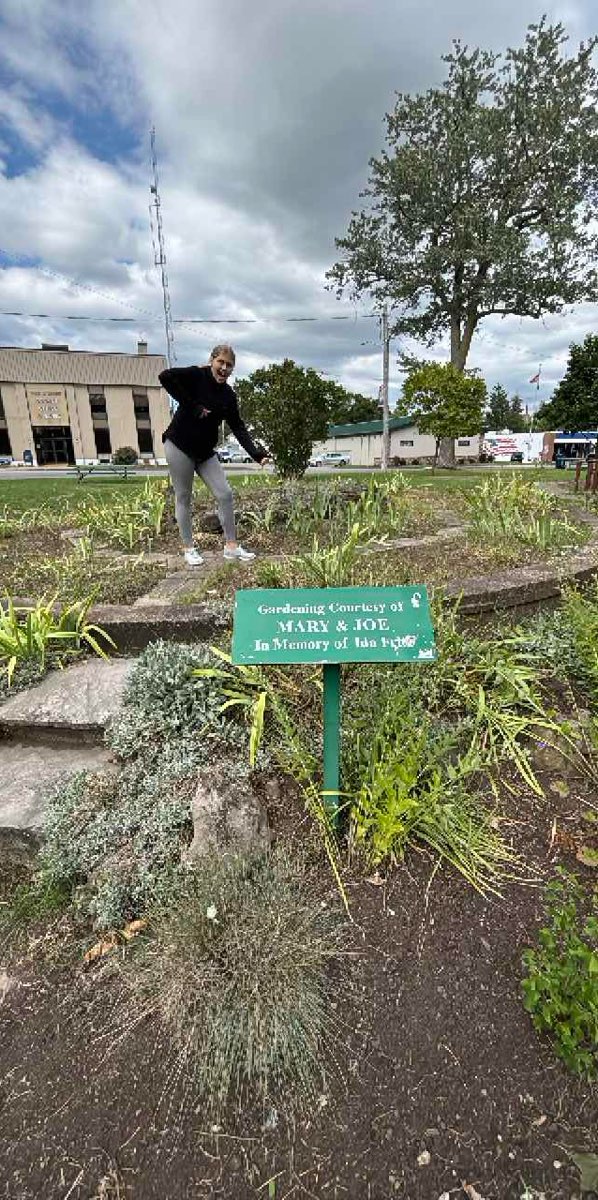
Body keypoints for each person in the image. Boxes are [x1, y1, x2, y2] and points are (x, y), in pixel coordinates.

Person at [159, 345, 267, 566]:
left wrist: (256, 454)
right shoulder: (197, 375)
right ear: (212, 361)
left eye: (229, 365)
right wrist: (193, 406)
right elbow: (166, 377)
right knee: (184, 496)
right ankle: (188, 548)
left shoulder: (228, 395)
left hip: (205, 452)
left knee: (225, 494)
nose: (224, 368)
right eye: (221, 362)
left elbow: (238, 427)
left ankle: (231, 547)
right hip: (179, 445)